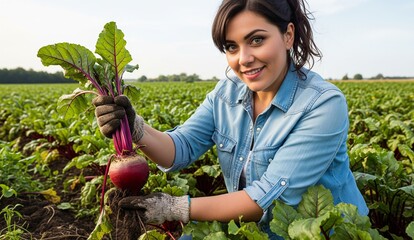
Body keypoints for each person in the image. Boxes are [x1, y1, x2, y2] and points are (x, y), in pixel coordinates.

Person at [93, 0, 369, 238]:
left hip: (323, 234)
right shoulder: (226, 93)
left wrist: (175, 208)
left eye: (256, 40)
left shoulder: (322, 104)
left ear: (288, 35)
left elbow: (265, 199)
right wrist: (135, 128)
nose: (244, 58)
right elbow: (179, 149)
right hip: (250, 230)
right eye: (231, 47)